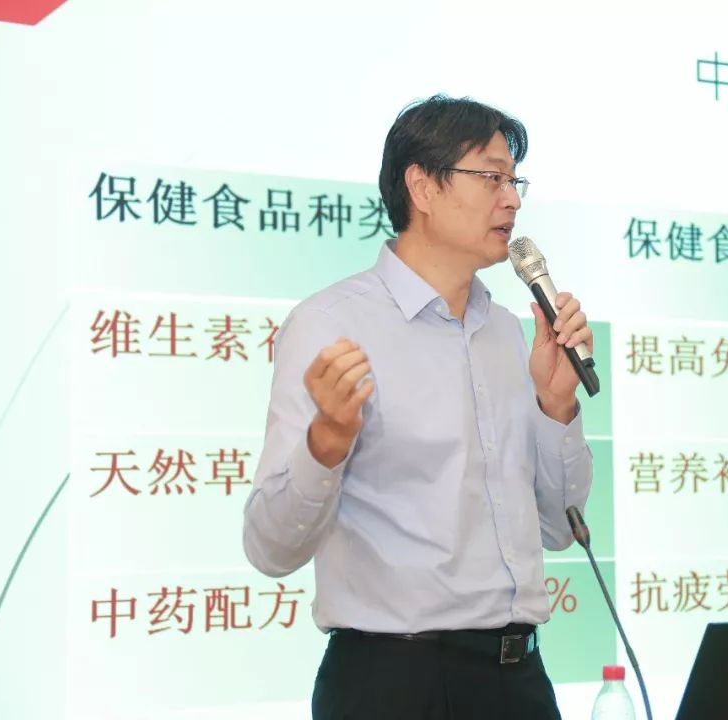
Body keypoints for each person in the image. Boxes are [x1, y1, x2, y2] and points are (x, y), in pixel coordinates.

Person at [242, 94, 595, 719]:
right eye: (491, 178)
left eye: (514, 182)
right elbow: (270, 548)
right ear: (423, 186)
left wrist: (556, 405)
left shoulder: (506, 331)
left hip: (518, 680)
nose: (512, 200)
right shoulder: (331, 325)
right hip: (396, 684)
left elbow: (558, 528)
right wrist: (327, 441)